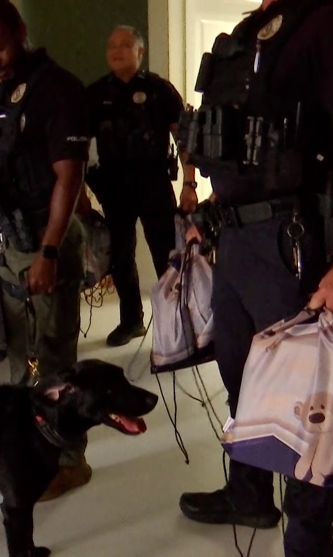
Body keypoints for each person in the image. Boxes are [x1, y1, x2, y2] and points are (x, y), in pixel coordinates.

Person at [175, 1, 333, 555]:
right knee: (240, 380)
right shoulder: (250, 33)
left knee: (307, 402)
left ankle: (309, 541)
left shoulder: (331, 24)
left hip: (291, 243)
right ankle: (247, 493)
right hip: (236, 242)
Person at [0, 0, 92, 501]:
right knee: (20, 351)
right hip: (10, 238)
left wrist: (50, 252)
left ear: (19, 31)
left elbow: (68, 176)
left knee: (55, 354)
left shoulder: (56, 88)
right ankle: (30, 449)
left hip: (47, 236)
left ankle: (69, 459)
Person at [83, 25, 199, 347]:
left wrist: (190, 183)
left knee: (165, 253)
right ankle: (131, 320)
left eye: (125, 45)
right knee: (120, 255)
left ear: (140, 52)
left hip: (154, 184)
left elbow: (184, 136)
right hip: (113, 188)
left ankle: (174, 318)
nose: (116, 51)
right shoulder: (94, 95)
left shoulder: (158, 90)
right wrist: (80, 192)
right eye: (111, 45)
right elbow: (77, 148)